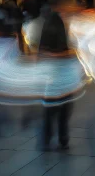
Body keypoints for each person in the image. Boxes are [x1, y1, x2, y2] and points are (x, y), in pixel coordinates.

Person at [39, 12, 74, 149]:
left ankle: (48, 137)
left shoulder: (49, 23)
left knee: (51, 107)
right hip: (60, 72)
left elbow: (42, 51)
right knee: (63, 107)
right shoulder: (57, 24)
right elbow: (61, 50)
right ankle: (62, 137)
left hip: (51, 73)